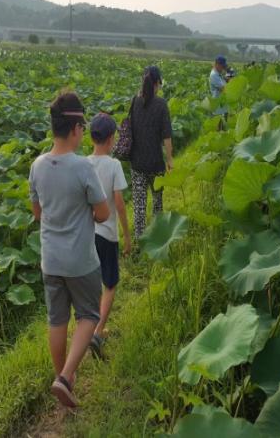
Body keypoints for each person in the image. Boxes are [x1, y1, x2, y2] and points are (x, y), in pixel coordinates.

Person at [28, 91, 109, 408]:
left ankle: (64, 379)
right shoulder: (82, 167)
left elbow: (38, 212)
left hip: (51, 260)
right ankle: (65, 377)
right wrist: (84, 214)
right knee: (89, 315)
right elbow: (102, 213)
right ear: (76, 129)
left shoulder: (37, 166)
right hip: (80, 260)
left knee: (56, 320)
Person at [87, 113, 131, 356]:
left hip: (87, 234)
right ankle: (97, 332)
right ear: (111, 138)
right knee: (110, 285)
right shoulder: (113, 165)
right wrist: (126, 235)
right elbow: (119, 204)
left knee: (93, 284)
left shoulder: (83, 163)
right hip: (107, 234)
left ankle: (92, 327)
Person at [129, 65, 173, 239]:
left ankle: (140, 240)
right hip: (155, 163)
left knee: (139, 206)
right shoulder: (161, 104)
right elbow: (167, 136)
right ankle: (157, 236)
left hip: (137, 162)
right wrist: (170, 160)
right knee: (157, 202)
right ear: (157, 83)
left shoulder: (135, 101)